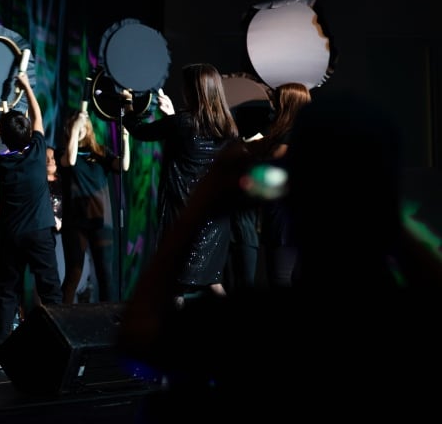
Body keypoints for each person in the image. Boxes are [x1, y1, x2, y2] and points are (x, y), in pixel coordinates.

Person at [118, 92, 442, 417]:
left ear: (294, 197)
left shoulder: (263, 327)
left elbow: (137, 341)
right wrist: (383, 209)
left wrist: (201, 203)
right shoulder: (408, 323)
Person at [123, 63, 239, 304]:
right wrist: (172, 116)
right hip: (215, 220)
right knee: (213, 282)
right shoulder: (227, 127)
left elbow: (140, 131)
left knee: (174, 283)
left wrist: (128, 108)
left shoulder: (182, 123)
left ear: (193, 90)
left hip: (184, 215)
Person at [0, 69, 63, 370]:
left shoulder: (2, 165)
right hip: (40, 232)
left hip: (12, 236)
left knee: (7, 292)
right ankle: (60, 345)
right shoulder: (38, 152)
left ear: (6, 138)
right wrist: (27, 86)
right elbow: (38, 116)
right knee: (50, 290)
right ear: (29, 134)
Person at [58, 111, 129, 303]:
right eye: (74, 124)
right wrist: (74, 129)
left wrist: (125, 139)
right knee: (74, 273)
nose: (79, 127)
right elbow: (70, 160)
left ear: (88, 127)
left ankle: (107, 316)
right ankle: (63, 316)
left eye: (82, 124)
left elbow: (123, 166)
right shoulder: (62, 153)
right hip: (75, 223)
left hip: (101, 221)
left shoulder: (101, 153)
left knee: (106, 275)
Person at [248, 82, 311, 287]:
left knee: (280, 278)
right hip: (294, 215)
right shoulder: (302, 133)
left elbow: (273, 175)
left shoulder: (287, 136)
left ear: (288, 104)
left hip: (284, 217)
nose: (273, 105)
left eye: (277, 100)